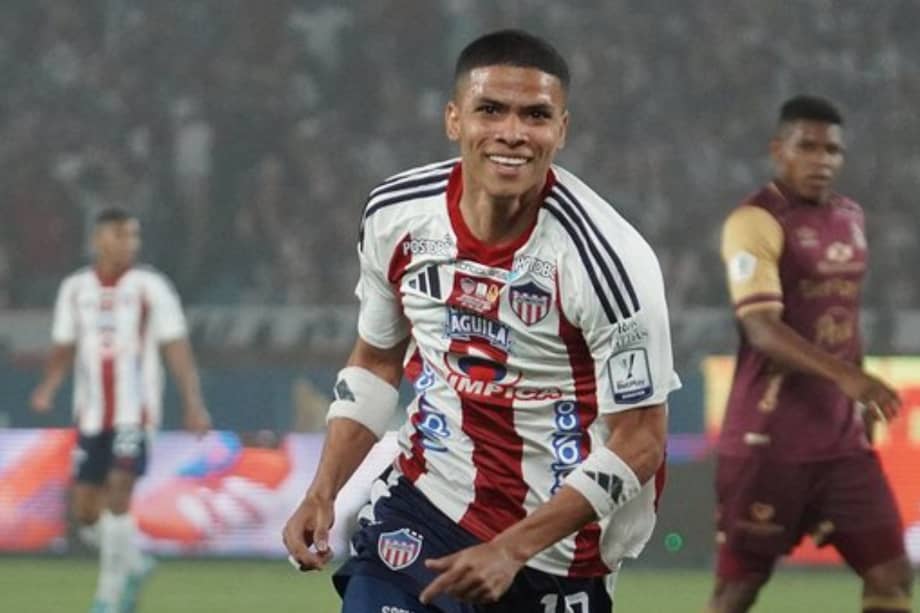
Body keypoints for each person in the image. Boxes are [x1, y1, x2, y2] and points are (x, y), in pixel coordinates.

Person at [283, 29, 680, 612]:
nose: (512, 134)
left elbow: (642, 440)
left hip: (556, 548)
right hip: (423, 506)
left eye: (536, 115)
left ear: (561, 130)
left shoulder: (609, 261)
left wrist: (510, 549)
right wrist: (323, 491)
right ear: (453, 119)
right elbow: (375, 360)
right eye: (490, 110)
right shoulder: (396, 216)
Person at [708, 96, 914, 613]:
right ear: (779, 150)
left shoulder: (850, 216)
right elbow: (760, 327)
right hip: (767, 441)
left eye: (832, 150)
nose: (821, 160)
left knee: (891, 573)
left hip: (841, 443)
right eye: (808, 147)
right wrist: (848, 378)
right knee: (738, 591)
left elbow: (843, 319)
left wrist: (859, 390)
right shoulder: (754, 222)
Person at [31, 207, 212, 613]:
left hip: (136, 413)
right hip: (91, 416)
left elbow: (176, 346)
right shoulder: (75, 288)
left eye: (133, 236)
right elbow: (64, 344)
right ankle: (132, 561)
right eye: (120, 235)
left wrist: (193, 403)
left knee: (118, 493)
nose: (129, 243)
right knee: (86, 512)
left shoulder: (152, 287)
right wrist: (48, 385)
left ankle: (108, 596)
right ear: (97, 240)